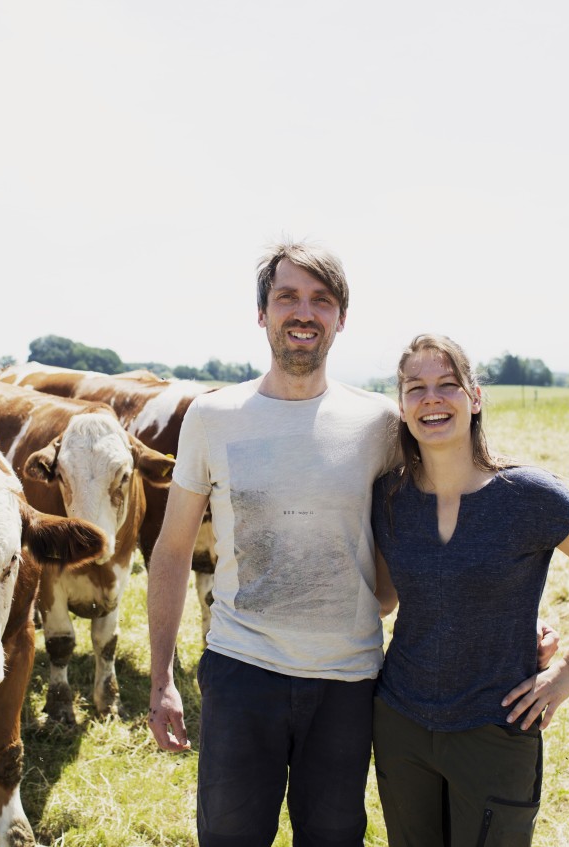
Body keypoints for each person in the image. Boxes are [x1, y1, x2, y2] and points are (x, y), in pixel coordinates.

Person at [146, 240, 401, 846]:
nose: (303, 312)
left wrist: (508, 611)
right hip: (242, 672)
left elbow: (440, 519)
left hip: (347, 681)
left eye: (322, 300)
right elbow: (174, 549)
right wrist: (161, 679)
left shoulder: (382, 423)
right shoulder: (213, 417)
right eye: (287, 296)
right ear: (262, 313)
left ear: (341, 317)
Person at [370, 333, 569, 847]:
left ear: (474, 398)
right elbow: (385, 599)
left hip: (496, 725)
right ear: (402, 406)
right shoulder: (389, 496)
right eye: (415, 387)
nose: (432, 398)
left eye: (447, 384)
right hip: (400, 722)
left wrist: (567, 671)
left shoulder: (529, 496)